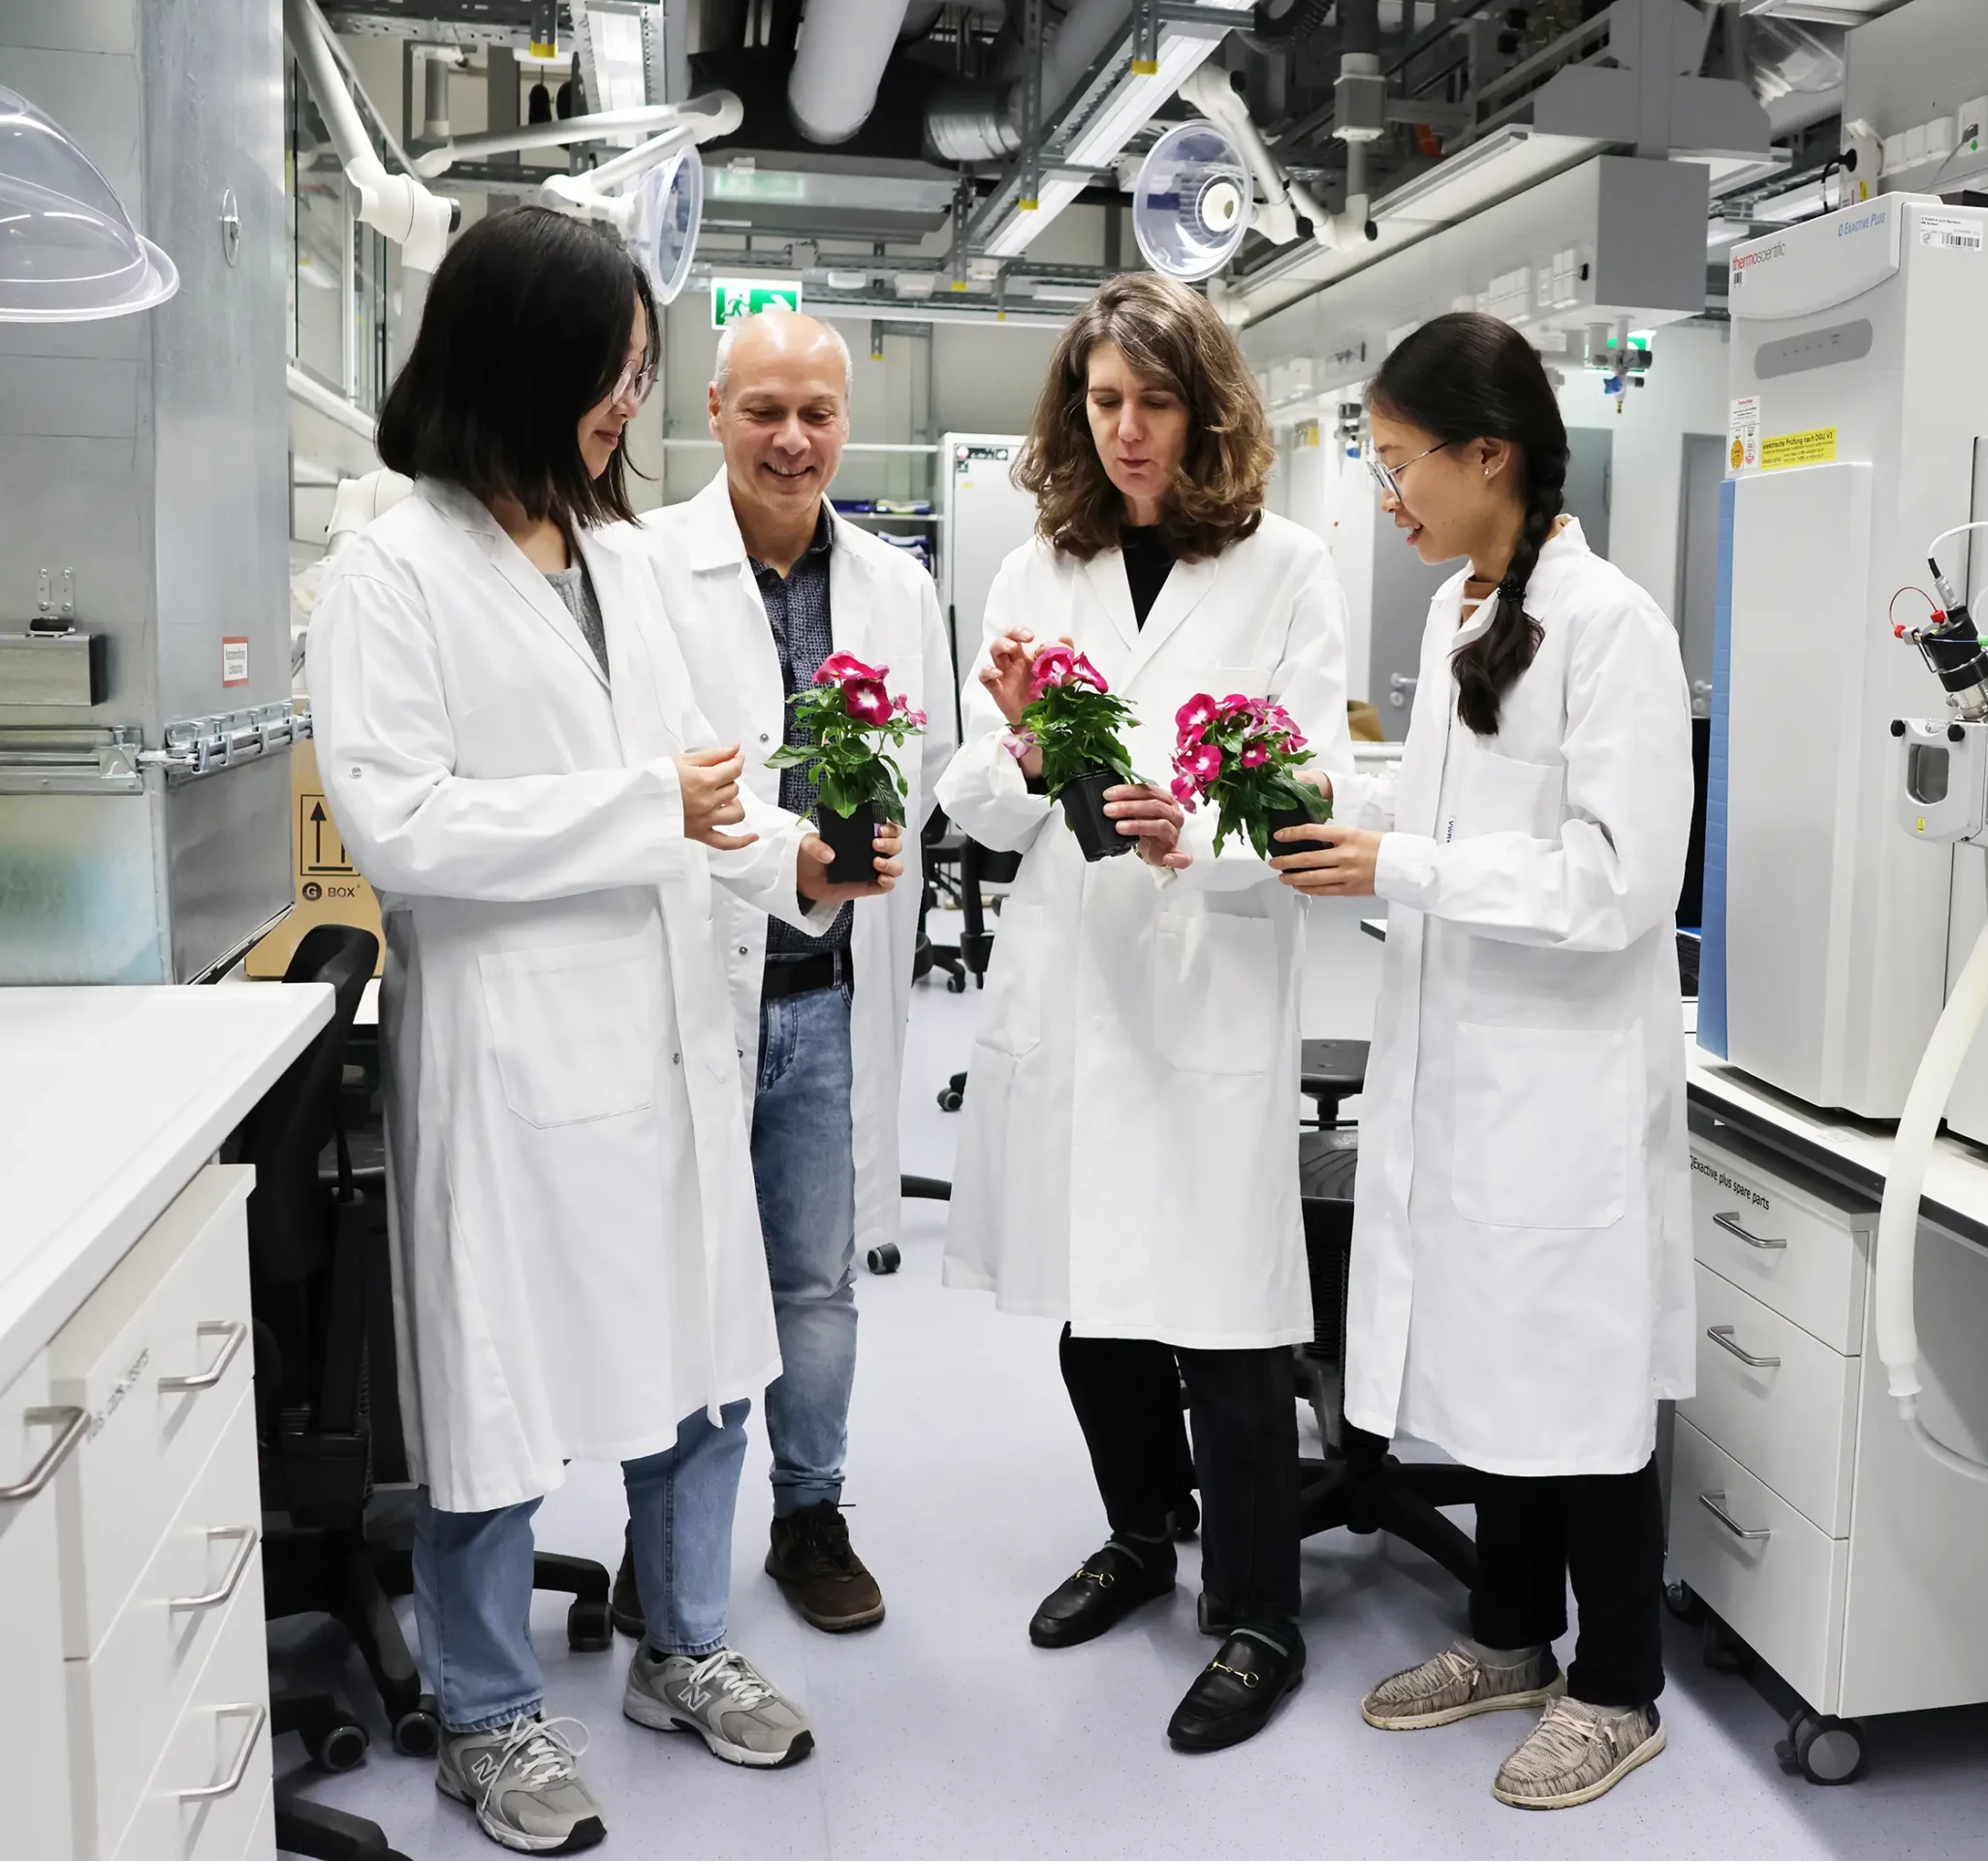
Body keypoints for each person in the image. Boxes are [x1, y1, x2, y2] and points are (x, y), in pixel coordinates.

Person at [309, 207, 895, 1853]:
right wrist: (655, 807)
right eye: (612, 375)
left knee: (706, 1364)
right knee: (498, 1392)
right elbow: (406, 826)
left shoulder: (621, 561)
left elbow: (709, 788)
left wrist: (807, 865)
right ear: (520, 367)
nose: (627, 406)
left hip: (666, 1039)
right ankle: (489, 1720)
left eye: (639, 376)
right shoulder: (391, 567)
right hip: (513, 1054)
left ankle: (680, 1649)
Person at [1273, 311, 1696, 1811]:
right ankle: (1511, 1638)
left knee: (1583, 1385)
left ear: (1488, 456)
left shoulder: (1612, 628)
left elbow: (1616, 883)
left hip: (1565, 1089)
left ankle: (1623, 1685)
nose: (1390, 496)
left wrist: (1406, 865)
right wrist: (1334, 798)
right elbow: (1451, 805)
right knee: (1508, 1369)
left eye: (1400, 465)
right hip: (1471, 1074)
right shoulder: (1469, 610)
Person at [932, 271, 1348, 1753]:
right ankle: (1136, 1536)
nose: (1127, 431)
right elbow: (969, 798)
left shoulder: (1290, 565)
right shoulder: (1037, 567)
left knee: (1226, 1325)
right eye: (1104, 402)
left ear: (1207, 405)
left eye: (1154, 402)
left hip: (1209, 978)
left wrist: (1204, 839)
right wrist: (1037, 758)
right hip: (1075, 972)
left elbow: (1312, 793)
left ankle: (1260, 1618)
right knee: (1087, 1304)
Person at [633, 309, 955, 1638]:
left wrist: (864, 848)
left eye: (817, 412)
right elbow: (644, 781)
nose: (792, 438)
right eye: (764, 410)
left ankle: (809, 1516)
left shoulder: (897, 585)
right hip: (687, 993)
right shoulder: (642, 567)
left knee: (815, 1283)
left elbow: (923, 764)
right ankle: (673, 1549)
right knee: (682, 1278)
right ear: (712, 413)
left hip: (823, 991)